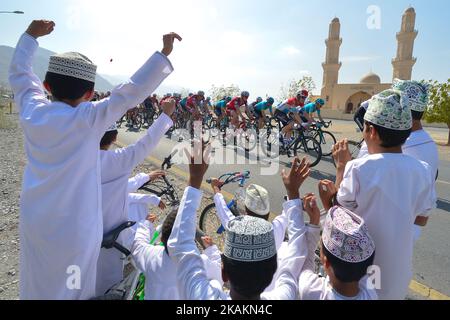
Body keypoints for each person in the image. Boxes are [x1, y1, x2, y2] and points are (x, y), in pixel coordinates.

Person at [9, 19, 181, 299]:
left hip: (36, 223)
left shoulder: (33, 111)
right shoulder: (87, 119)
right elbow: (130, 92)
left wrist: (30, 36)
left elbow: (19, 75)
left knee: (38, 281)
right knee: (73, 288)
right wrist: (163, 53)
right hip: (74, 234)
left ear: (47, 85)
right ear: (90, 94)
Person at [168, 144, 312, 300]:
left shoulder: (205, 295)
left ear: (224, 273)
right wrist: (294, 196)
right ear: (274, 270)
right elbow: (297, 249)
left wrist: (197, 179)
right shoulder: (284, 292)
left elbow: (180, 246)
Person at [330, 90, 436, 300]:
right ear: (406, 133)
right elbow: (422, 218)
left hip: (360, 266)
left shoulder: (358, 168)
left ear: (370, 130)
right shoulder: (422, 170)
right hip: (398, 270)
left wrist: (341, 167)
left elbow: (340, 213)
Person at [96, 100, 174, 296]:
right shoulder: (116, 160)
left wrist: (146, 178)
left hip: (79, 237)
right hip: (112, 239)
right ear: (114, 137)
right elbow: (146, 142)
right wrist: (165, 114)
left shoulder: (74, 160)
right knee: (109, 287)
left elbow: (120, 188)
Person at [298, 193, 377, 300]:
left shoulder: (312, 291)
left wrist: (314, 221)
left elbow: (304, 261)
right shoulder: (370, 294)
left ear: (326, 262)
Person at [131, 208, 223, 300]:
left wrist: (146, 224)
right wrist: (211, 249)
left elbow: (138, 246)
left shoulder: (151, 255)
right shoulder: (200, 262)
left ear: (163, 239)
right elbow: (218, 276)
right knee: (214, 284)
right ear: (190, 241)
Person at [210, 180, 287, 251]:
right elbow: (287, 213)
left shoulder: (236, 228)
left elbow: (223, 211)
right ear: (267, 212)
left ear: (246, 210)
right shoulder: (277, 229)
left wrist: (215, 187)